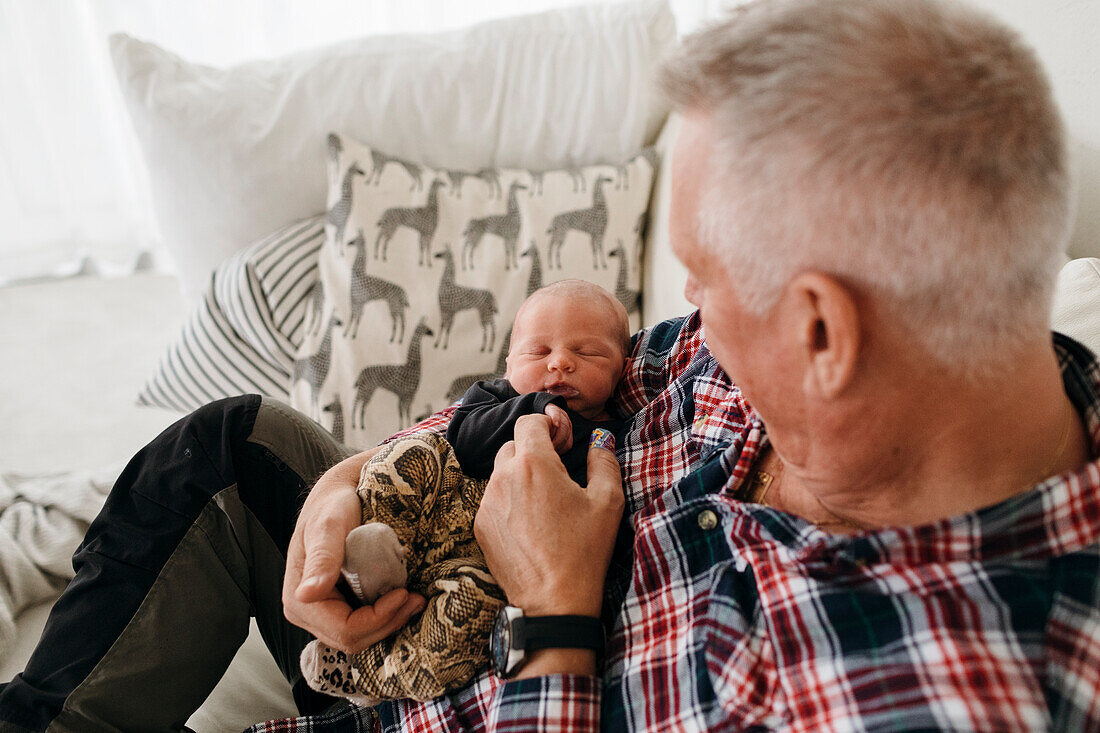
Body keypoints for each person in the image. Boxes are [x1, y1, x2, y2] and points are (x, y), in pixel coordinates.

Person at [1, 0, 1097, 731]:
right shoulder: (820, 373)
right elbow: (525, 405)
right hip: (401, 631)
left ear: (821, 334)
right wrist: (353, 480)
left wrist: (557, 613)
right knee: (237, 440)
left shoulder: (939, 692)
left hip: (480, 680)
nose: (687, 321)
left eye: (700, 280)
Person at [298, 280, 628, 705]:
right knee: (415, 452)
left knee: (474, 619)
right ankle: (375, 554)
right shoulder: (495, 397)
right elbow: (463, 439)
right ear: (508, 364)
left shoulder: (611, 437)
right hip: (432, 511)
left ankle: (370, 672)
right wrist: (531, 408)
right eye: (538, 352)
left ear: (622, 368)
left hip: (483, 563)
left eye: (587, 354)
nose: (560, 362)